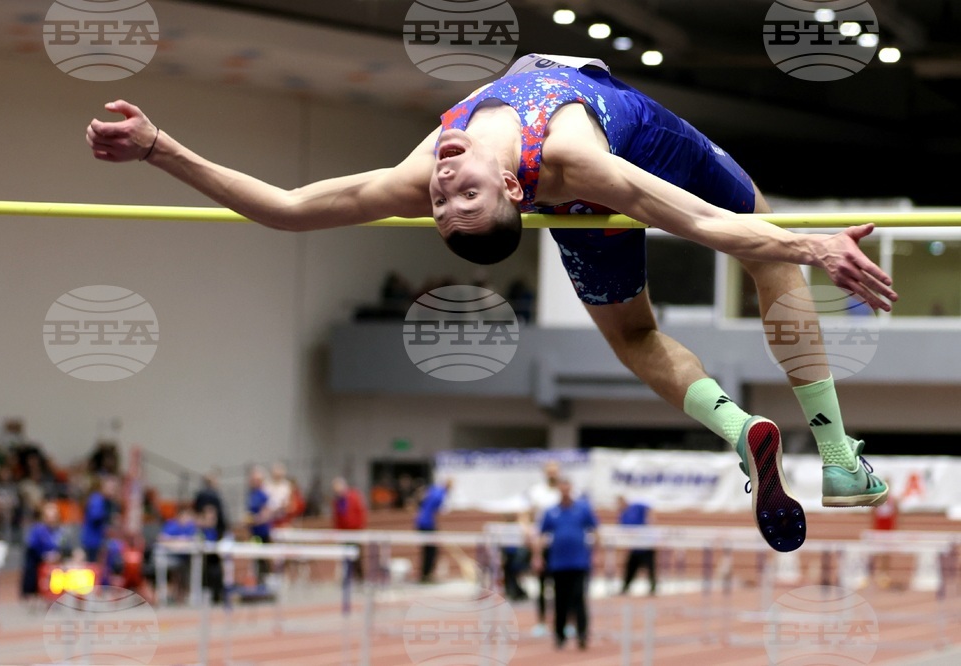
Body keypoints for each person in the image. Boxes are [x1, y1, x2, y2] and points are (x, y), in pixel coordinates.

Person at [87, 53, 896, 551]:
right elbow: (708, 223)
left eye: (446, 199)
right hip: (631, 148)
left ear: (512, 189)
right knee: (754, 224)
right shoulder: (574, 160)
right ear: (514, 189)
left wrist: (161, 148)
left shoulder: (439, 163)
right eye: (454, 194)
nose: (440, 185)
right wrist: (806, 243)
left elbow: (288, 207)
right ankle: (834, 457)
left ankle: (757, 436)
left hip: (599, 180)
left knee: (647, 324)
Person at [534, 478, 597, 651]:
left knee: (579, 599)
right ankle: (559, 635)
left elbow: (595, 529)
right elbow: (541, 535)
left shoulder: (582, 509)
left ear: (571, 489)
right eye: (562, 489)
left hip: (579, 562)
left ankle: (582, 634)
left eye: (567, 488)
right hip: (558, 563)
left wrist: (595, 553)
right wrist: (538, 556)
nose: (565, 492)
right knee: (559, 600)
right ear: (559, 491)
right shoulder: (551, 511)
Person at [526, 460, 562, 635]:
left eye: (555, 471)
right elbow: (527, 515)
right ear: (544, 473)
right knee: (541, 586)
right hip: (542, 545)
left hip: (560, 546)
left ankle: (564, 622)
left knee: (562, 586)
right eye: (549, 471)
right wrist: (528, 532)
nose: (552, 474)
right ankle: (541, 622)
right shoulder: (536, 492)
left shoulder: (566, 492)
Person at [21, 500, 66, 601]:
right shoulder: (37, 530)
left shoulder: (60, 531)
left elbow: (64, 546)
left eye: (54, 516)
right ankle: (33, 593)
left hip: (56, 560)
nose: (51, 519)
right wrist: (44, 556)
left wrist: (59, 555)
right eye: (49, 516)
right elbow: (32, 547)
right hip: (38, 560)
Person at [617, 495, 657, 596]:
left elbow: (649, 509)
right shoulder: (622, 515)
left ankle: (653, 588)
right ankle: (625, 588)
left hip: (646, 544)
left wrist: (650, 521)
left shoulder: (636, 507)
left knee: (650, 567)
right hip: (635, 546)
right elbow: (624, 531)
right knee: (630, 567)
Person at [414, 477, 452, 583]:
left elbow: (420, 496)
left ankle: (425, 574)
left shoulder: (433, 489)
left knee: (427, 549)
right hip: (427, 523)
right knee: (431, 550)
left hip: (420, 521)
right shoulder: (441, 495)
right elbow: (437, 511)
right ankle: (426, 575)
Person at [332, 477, 367, 581]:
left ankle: (360, 578)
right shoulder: (337, 501)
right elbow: (337, 518)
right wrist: (337, 531)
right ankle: (347, 578)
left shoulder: (354, 496)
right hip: (343, 532)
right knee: (345, 556)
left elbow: (361, 513)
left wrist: (359, 528)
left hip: (355, 531)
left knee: (357, 556)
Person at [80, 475, 119, 563]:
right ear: (103, 487)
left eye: (114, 488)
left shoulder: (108, 502)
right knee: (93, 567)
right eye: (110, 488)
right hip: (92, 542)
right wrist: (109, 517)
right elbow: (96, 517)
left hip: (100, 542)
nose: (112, 491)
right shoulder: (96, 499)